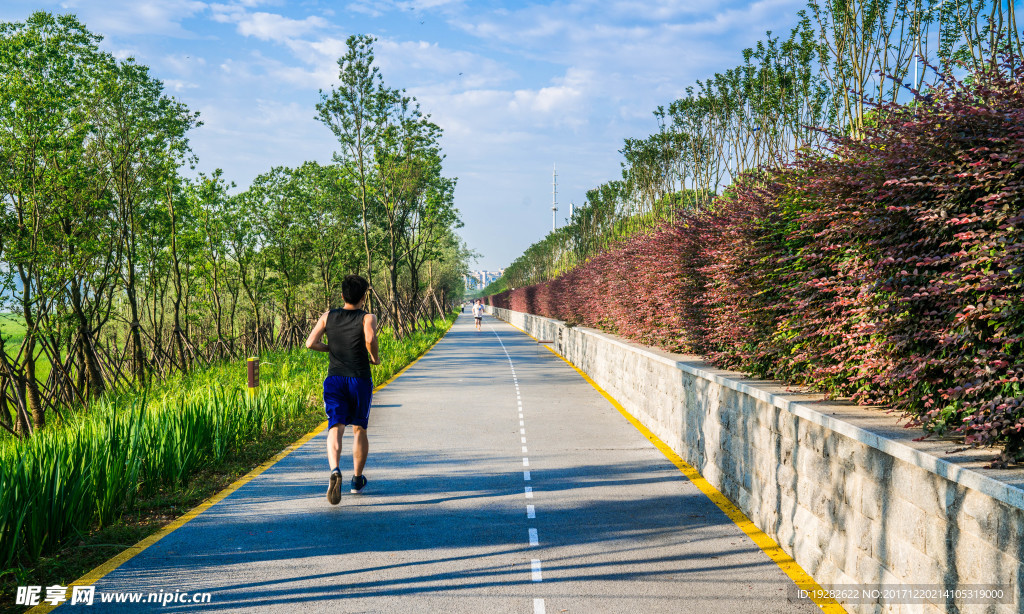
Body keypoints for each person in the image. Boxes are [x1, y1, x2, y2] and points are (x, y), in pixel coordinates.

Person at [305, 274, 380, 505]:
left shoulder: (328, 316)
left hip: (335, 379)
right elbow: (369, 338)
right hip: (359, 379)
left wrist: (332, 348)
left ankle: (335, 469)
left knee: (335, 426)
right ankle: (357, 481)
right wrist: (374, 358)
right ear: (364, 296)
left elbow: (310, 343)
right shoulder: (368, 317)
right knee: (359, 429)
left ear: (342, 295)